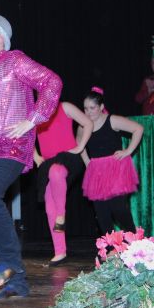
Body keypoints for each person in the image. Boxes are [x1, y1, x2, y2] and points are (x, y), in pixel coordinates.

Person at [0, 11, 62, 300]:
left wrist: (33, 119)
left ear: (1, 38)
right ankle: (16, 281)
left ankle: (9, 261)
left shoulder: (14, 60)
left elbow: (52, 82)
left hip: (12, 145)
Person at [34, 100, 93, 266]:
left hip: (69, 158)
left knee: (56, 172)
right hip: (48, 162)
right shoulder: (35, 114)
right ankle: (60, 251)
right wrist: (36, 156)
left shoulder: (65, 107)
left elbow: (88, 123)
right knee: (49, 205)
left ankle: (61, 214)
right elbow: (26, 136)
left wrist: (80, 147)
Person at [80, 88, 142, 234]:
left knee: (118, 207)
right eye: (85, 109)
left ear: (101, 107)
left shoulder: (112, 120)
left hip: (116, 168)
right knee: (101, 212)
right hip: (97, 171)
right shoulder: (84, 126)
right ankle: (109, 244)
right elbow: (79, 144)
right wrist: (87, 162)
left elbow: (138, 129)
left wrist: (128, 151)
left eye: (92, 108)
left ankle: (134, 238)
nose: (88, 112)